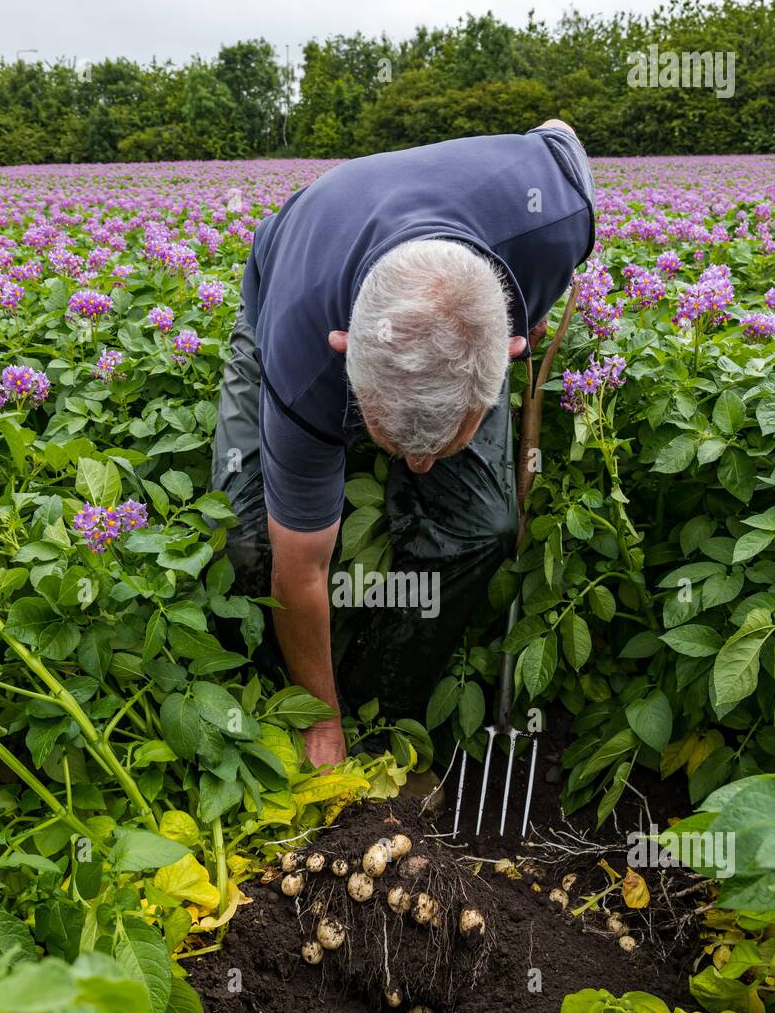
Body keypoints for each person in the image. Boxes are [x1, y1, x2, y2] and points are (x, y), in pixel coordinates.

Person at [213, 120, 596, 769]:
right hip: (287, 280)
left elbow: (558, 132)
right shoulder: (304, 356)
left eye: (435, 449)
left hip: (471, 303)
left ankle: (381, 706)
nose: (416, 466)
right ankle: (283, 705)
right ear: (344, 356)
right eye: (397, 445)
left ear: (506, 352)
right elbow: (299, 567)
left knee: (483, 526)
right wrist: (320, 719)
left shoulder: (556, 210)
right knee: (248, 541)